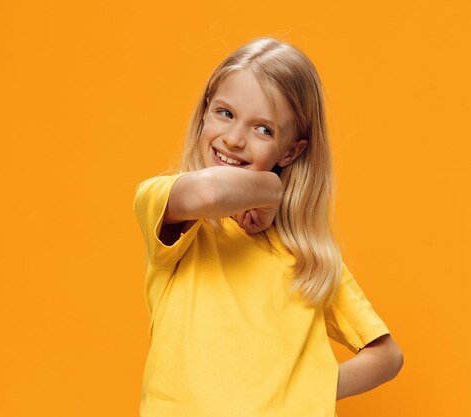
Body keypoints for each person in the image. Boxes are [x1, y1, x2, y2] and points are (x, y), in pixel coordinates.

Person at [132, 37, 404, 417]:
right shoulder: (172, 209)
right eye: (225, 113)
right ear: (205, 111)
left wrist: (304, 390)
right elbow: (210, 191)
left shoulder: (308, 257)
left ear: (291, 151)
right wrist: (271, 189)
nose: (233, 138)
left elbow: (387, 357)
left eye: (264, 130)